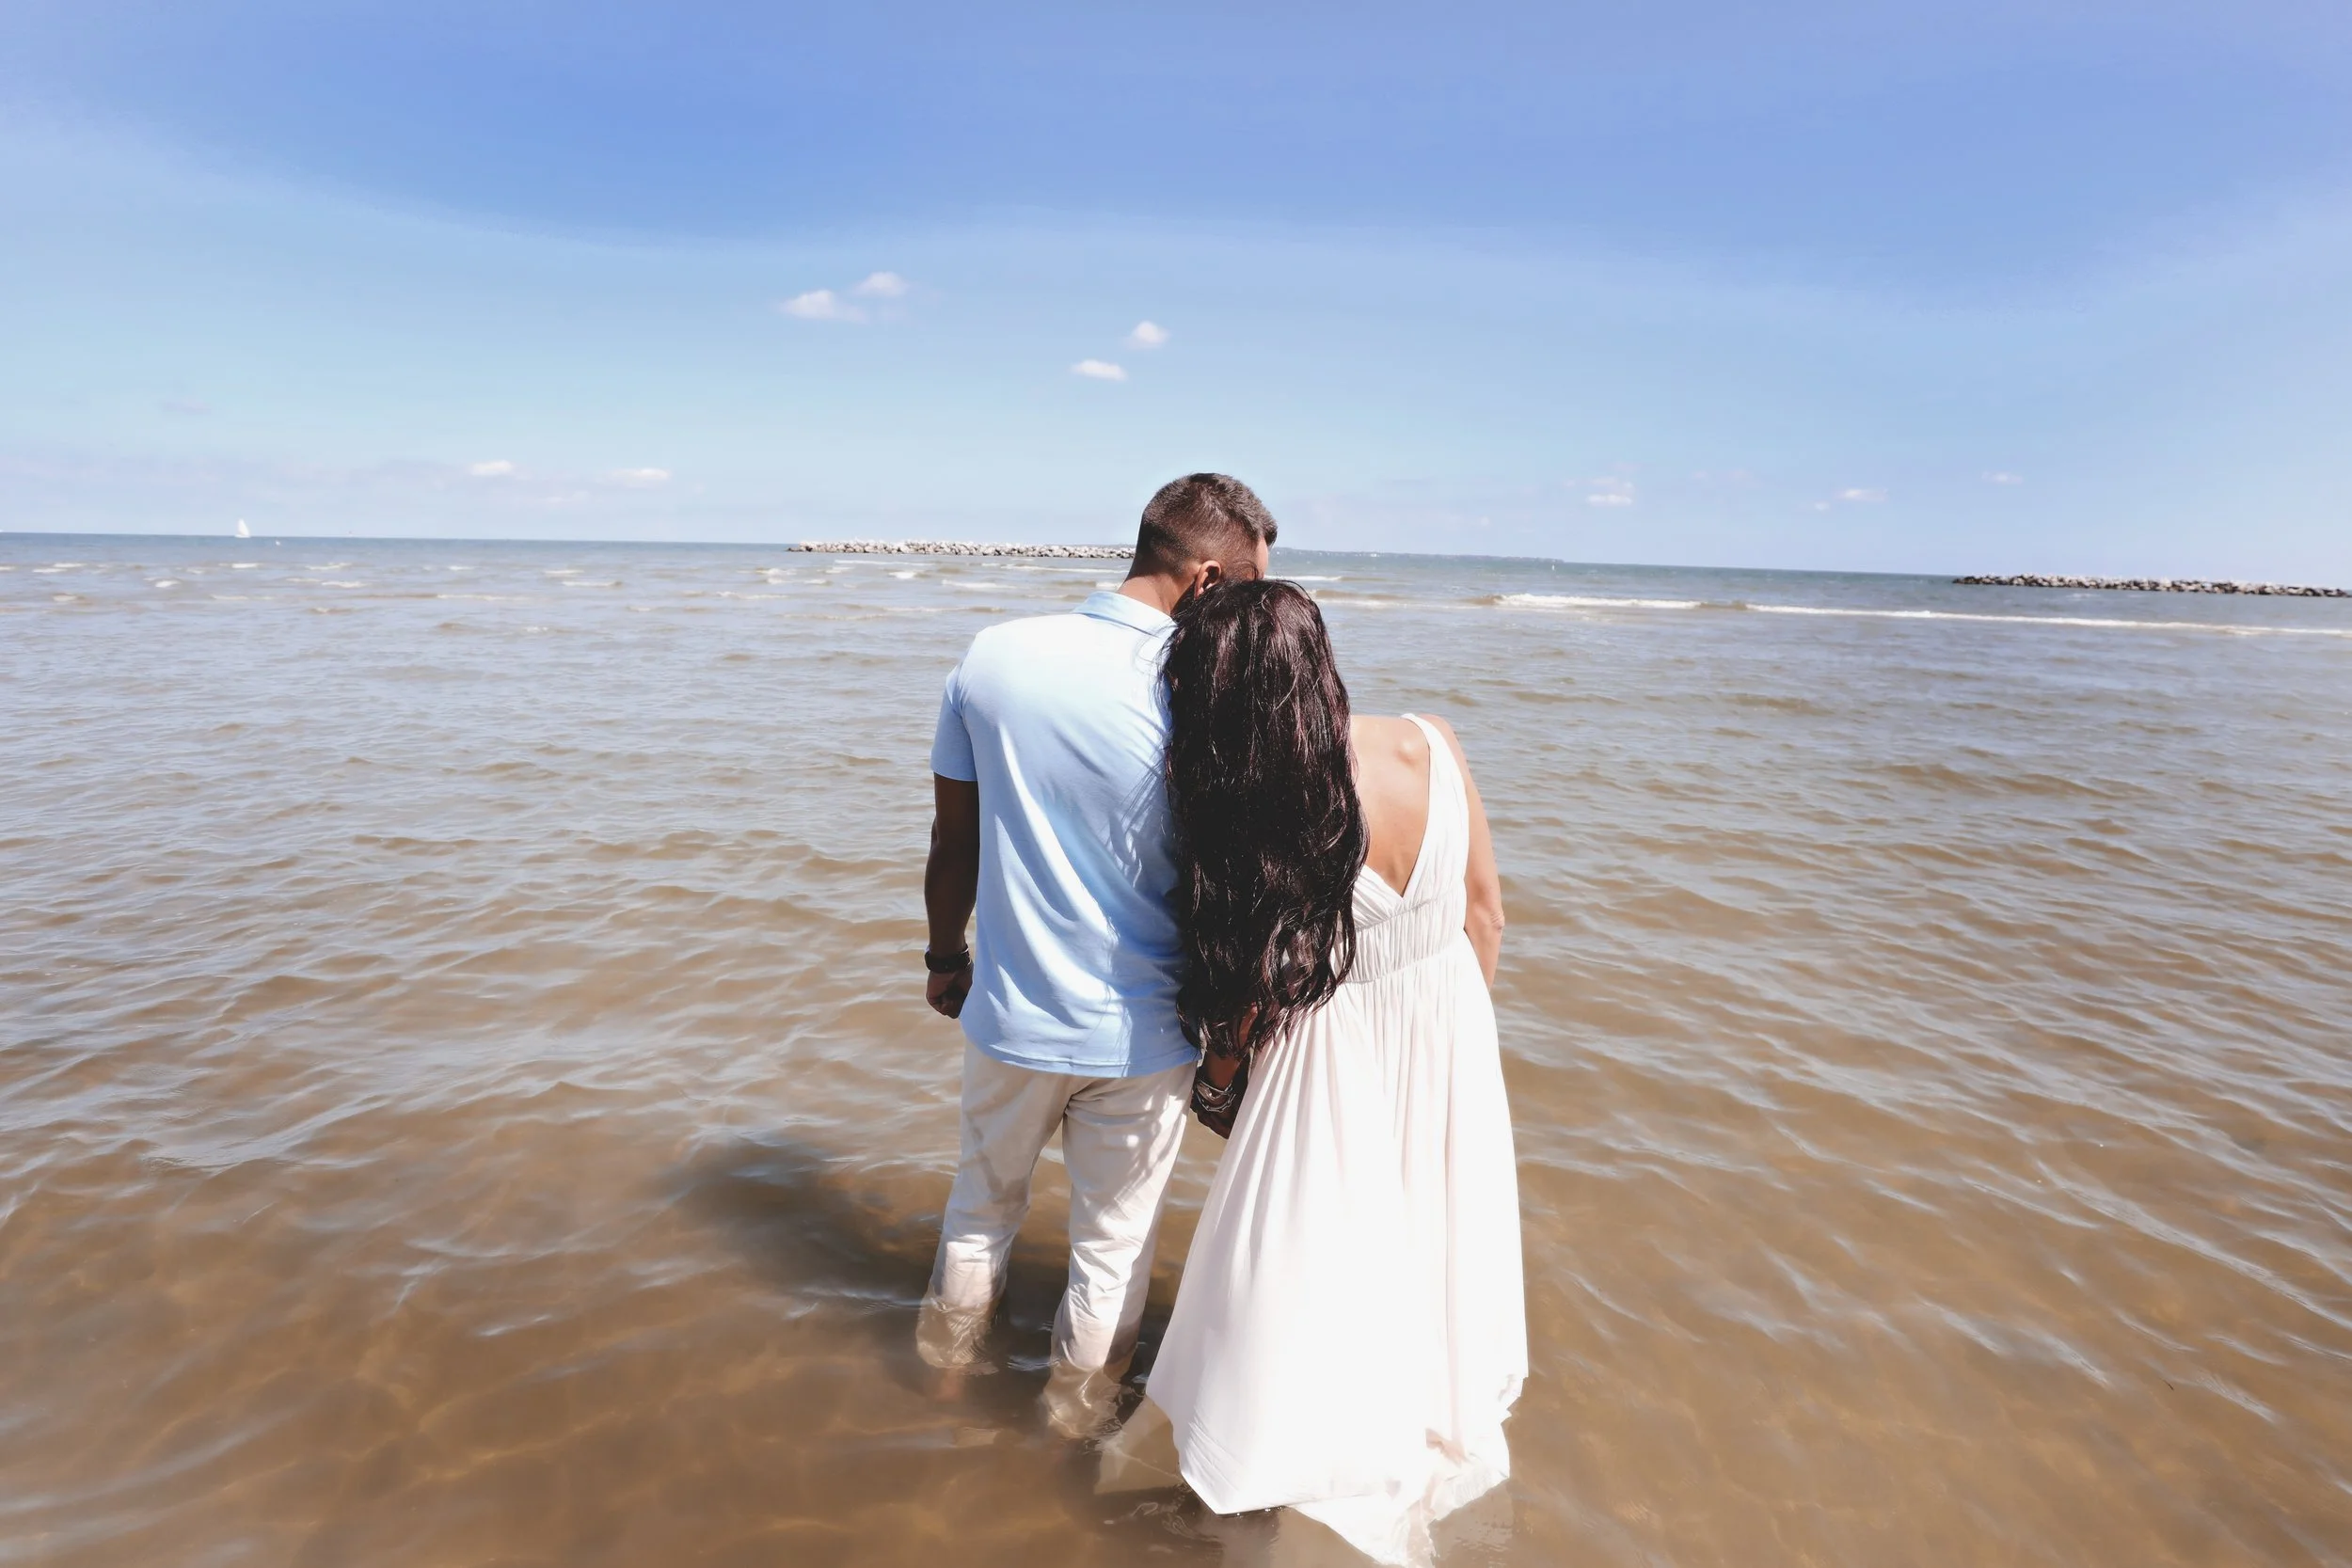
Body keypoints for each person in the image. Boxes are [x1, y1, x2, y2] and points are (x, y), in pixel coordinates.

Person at [1104, 579, 1527, 1568]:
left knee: (1276, 1282)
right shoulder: (1435, 739)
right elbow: (1486, 916)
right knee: (1422, 1259)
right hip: (1449, 1031)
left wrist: (1217, 1078)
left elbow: (1252, 983)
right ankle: (1396, 1461)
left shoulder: (1266, 793)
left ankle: (1243, 1508)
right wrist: (1448, 1044)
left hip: (1325, 1048)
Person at [917, 473, 1276, 1437]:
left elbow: (953, 844)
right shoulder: (1211, 690)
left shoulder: (993, 655)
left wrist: (945, 959)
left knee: (979, 1207)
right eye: (1243, 589)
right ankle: (1066, 1431)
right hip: (1146, 1032)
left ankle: (943, 1388)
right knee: (1110, 1250)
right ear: (1205, 579)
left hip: (1009, 1011)